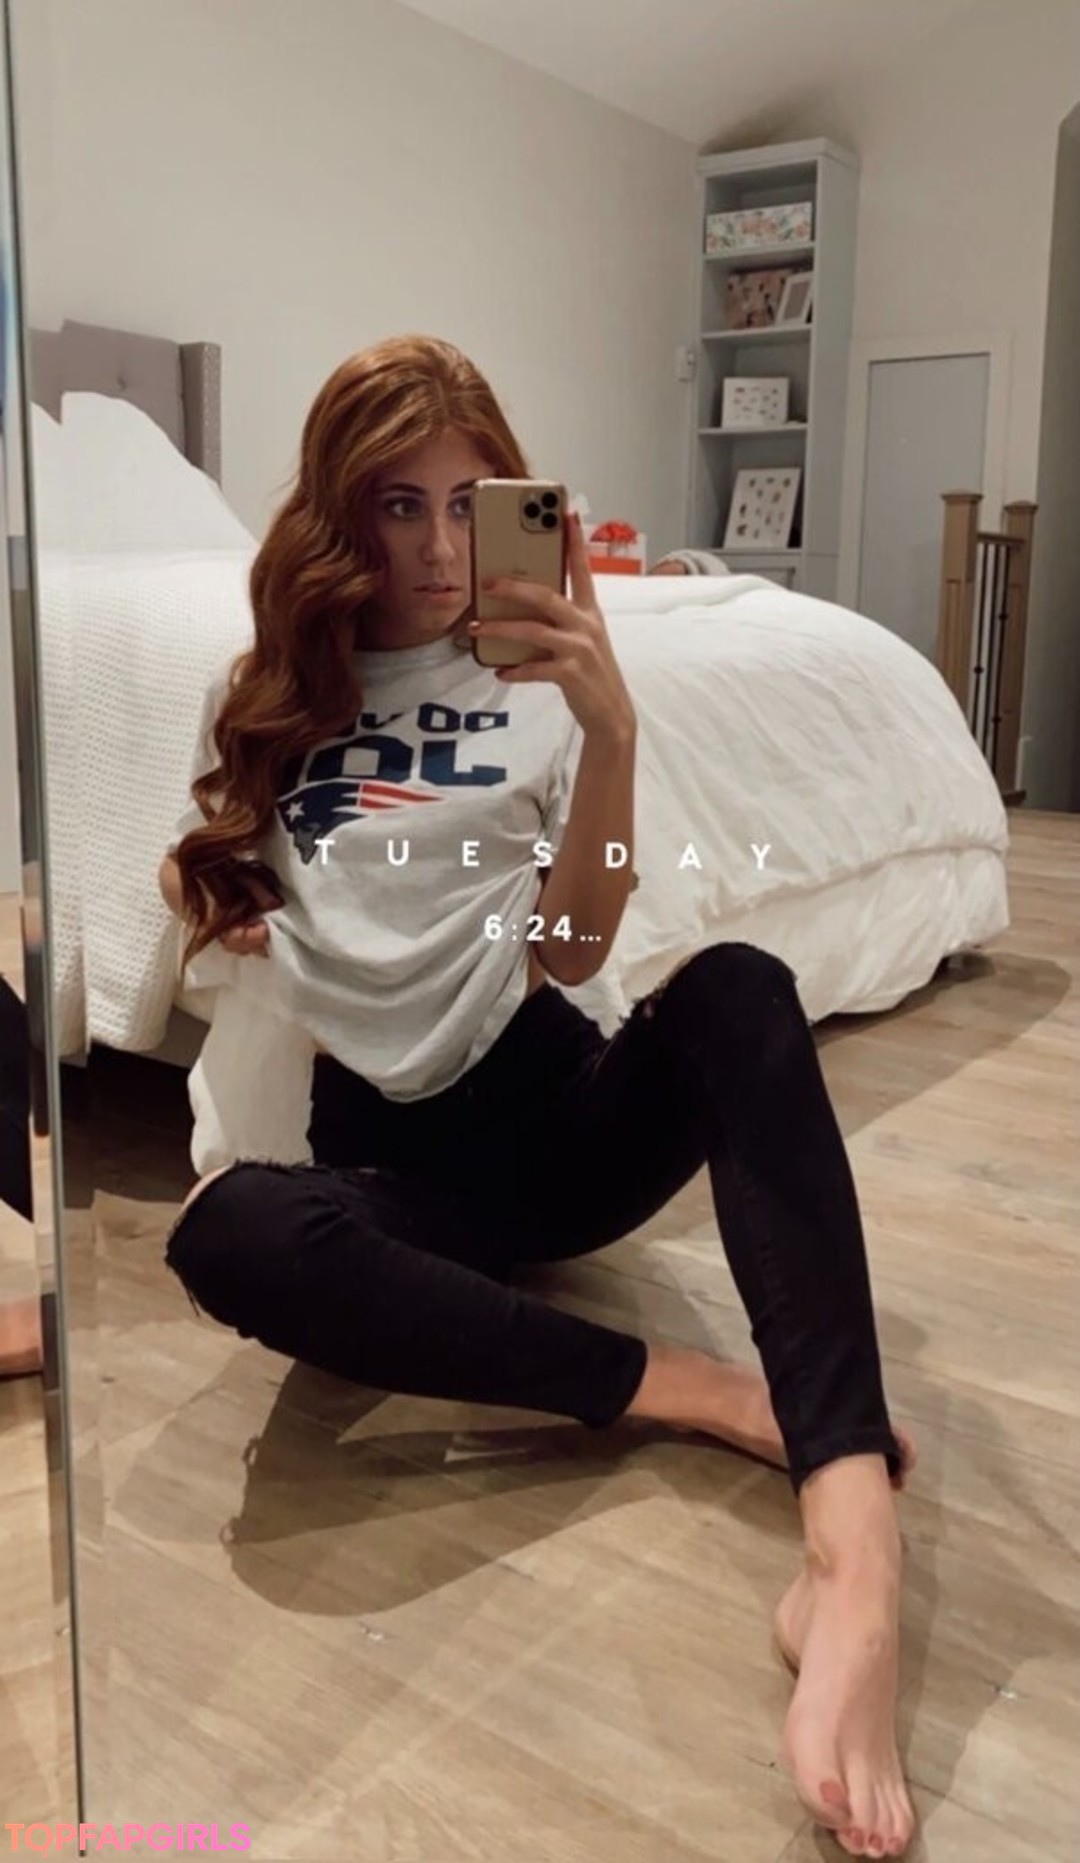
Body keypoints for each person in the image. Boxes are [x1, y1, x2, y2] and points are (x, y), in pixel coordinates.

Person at [159, 334, 916, 1860]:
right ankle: (691, 1390)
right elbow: (215, 879)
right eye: (400, 506)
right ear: (340, 515)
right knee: (226, 1233)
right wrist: (211, 894)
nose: (442, 551)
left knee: (739, 988)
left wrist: (615, 729)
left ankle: (852, 1540)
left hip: (556, 1119)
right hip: (393, 1176)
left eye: (470, 504)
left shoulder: (543, 686)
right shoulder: (266, 699)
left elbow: (573, 948)